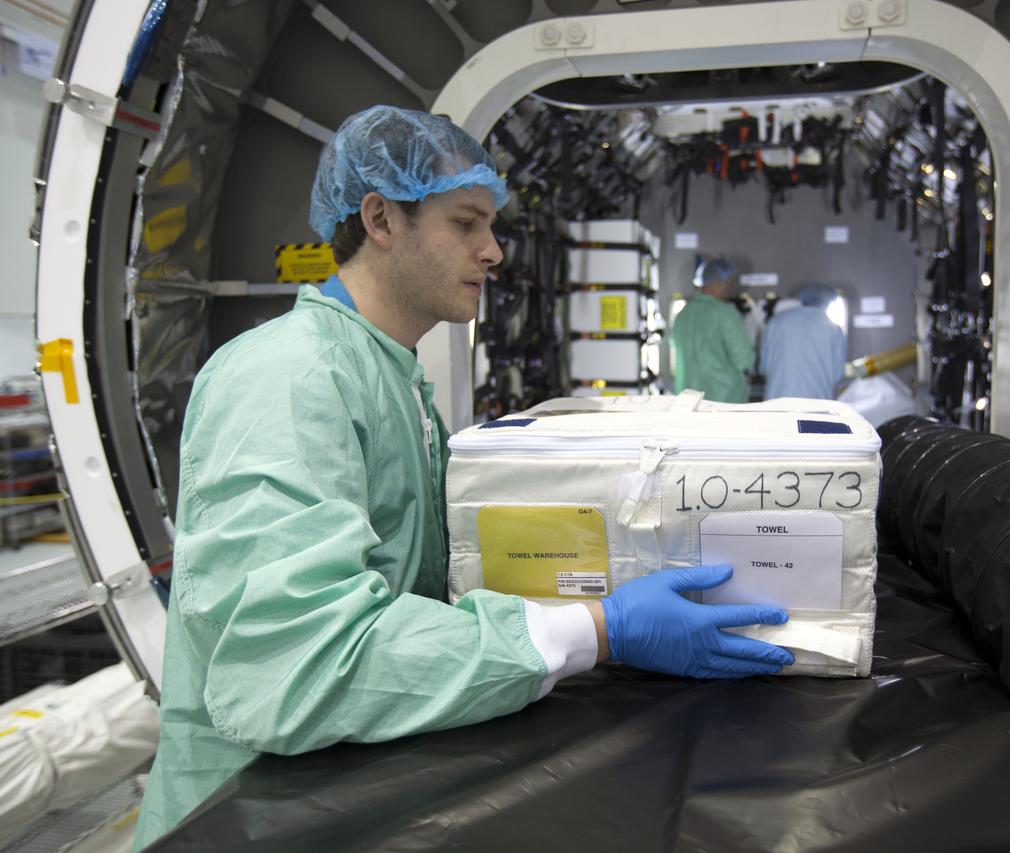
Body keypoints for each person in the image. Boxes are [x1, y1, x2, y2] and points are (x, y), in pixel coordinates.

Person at [132, 106, 793, 849]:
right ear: (381, 218)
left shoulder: (393, 378)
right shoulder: (286, 378)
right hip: (242, 817)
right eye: (467, 223)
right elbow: (296, 667)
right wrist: (601, 630)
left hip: (340, 798)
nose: (496, 251)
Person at [668, 258, 755, 403]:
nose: (730, 290)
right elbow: (743, 359)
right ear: (721, 283)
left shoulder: (682, 314)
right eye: (730, 285)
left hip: (688, 401)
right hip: (723, 400)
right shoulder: (724, 313)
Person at [760, 284, 847, 400]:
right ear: (828, 303)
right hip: (816, 400)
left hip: (777, 399)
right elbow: (838, 374)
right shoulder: (833, 328)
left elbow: (764, 367)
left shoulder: (776, 322)